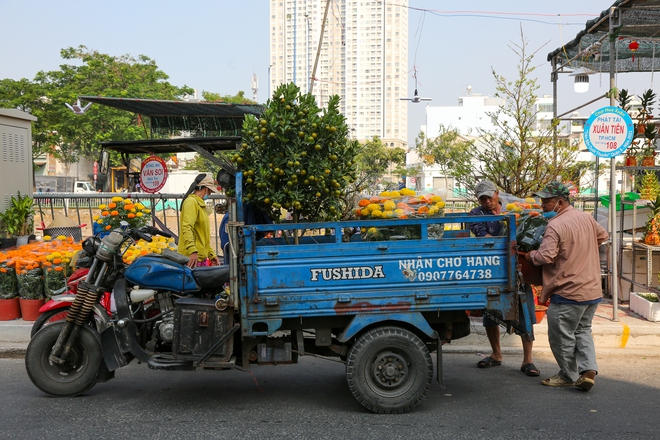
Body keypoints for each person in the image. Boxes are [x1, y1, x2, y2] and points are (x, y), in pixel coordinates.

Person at [526, 182, 608, 390]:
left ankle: (568, 374)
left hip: (568, 290)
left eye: (547, 201)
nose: (542, 205)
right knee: (582, 330)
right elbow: (603, 236)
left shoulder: (556, 225)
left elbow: (546, 256)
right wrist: (581, 250)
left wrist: (530, 255)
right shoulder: (585, 217)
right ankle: (588, 371)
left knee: (560, 335)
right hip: (591, 289)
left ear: (560, 202)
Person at [469, 180, 539, 377]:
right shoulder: (476, 214)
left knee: (525, 312)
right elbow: (484, 236)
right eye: (482, 199)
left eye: (489, 197)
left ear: (497, 194)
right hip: (493, 270)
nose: (487, 202)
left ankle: (528, 360)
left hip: (518, 269)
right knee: (491, 314)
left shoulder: (514, 208)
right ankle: (496, 354)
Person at [178, 173, 221, 268]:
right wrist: (192, 251)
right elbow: (187, 227)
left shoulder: (200, 205)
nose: (209, 194)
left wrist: (211, 254)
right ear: (206, 189)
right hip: (191, 259)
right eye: (210, 191)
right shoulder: (191, 202)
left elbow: (202, 236)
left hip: (200, 257)